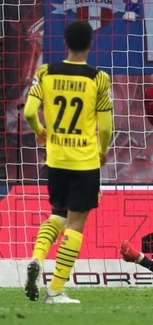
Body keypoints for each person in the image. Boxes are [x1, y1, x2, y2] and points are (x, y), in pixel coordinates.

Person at [23, 20, 113, 304]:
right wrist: (103, 149)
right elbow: (106, 127)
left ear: (65, 43)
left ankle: (37, 258)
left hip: (56, 158)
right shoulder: (98, 78)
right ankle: (56, 290)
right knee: (75, 224)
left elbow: (28, 112)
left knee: (58, 214)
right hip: (84, 161)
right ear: (89, 44)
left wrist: (40, 131)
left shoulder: (45, 72)